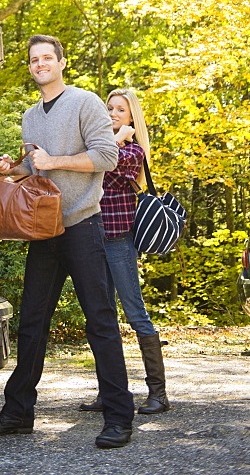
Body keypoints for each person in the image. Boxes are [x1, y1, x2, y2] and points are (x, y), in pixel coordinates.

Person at [0, 35, 135, 449]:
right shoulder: (30, 115)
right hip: (43, 230)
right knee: (32, 324)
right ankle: (17, 412)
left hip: (83, 226)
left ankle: (119, 416)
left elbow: (107, 157)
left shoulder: (85, 102)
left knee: (99, 322)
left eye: (47, 58)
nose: (40, 64)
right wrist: (14, 169)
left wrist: (54, 160)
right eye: (34, 60)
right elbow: (36, 167)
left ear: (62, 62)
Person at [79, 88, 170, 415]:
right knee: (101, 318)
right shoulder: (97, 144)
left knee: (135, 314)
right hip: (91, 240)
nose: (114, 113)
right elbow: (85, 164)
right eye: (109, 108)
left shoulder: (133, 151)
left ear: (131, 118)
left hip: (118, 241)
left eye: (121, 110)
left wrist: (117, 139)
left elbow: (108, 165)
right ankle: (110, 393)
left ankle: (158, 394)